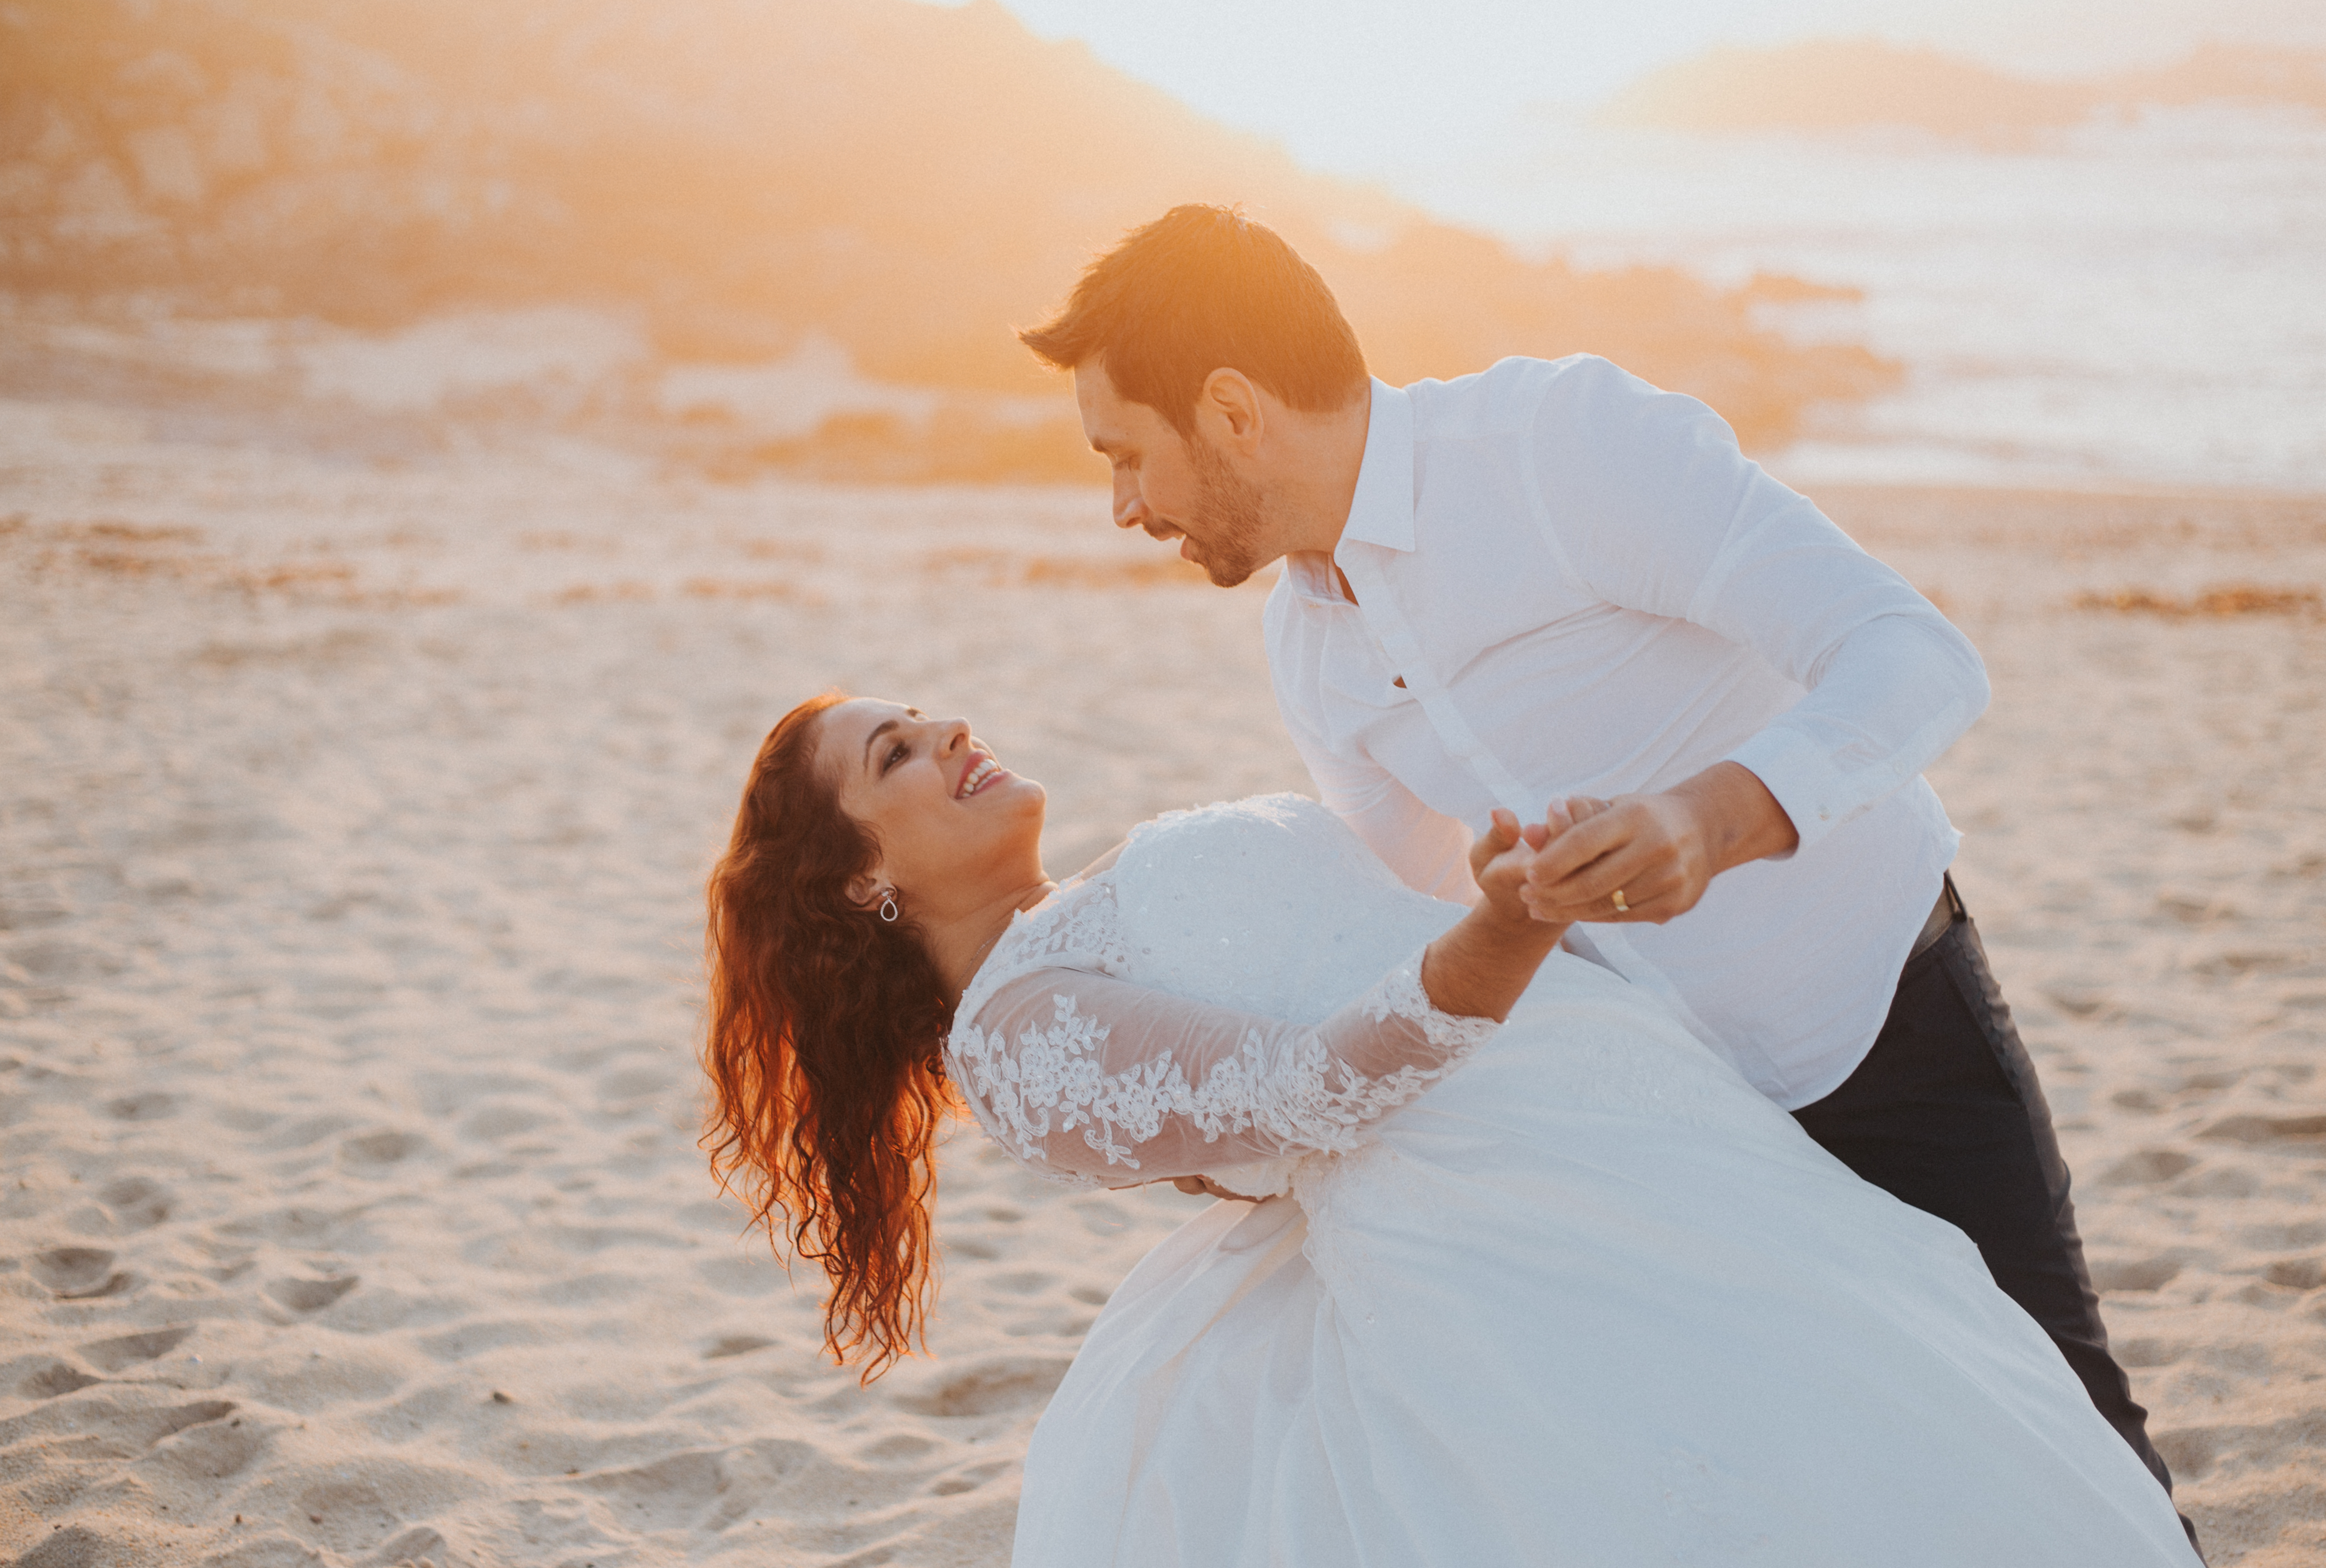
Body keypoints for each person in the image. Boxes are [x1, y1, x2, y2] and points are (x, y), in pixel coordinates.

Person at [1016, 203, 2193, 1541]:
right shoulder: (1308, 649)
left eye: (1125, 458)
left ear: (1230, 410)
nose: (1123, 508)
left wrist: (1718, 814)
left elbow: (1909, 652)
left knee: (2065, 1442)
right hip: (1658, 1139)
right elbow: (1399, 931)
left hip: (1881, 1029)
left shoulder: (1557, 448)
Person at [701, 692, 2199, 1566]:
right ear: (860, 882)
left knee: (1902, 1413)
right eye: (894, 757)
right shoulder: (1022, 1042)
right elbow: (1313, 1091)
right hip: (1511, 1215)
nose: (944, 730)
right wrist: (1506, 923)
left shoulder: (1095, 907)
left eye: (921, 714)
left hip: (1636, 1120)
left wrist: (1517, 890)